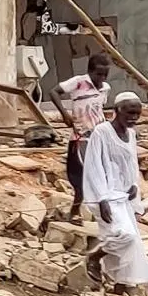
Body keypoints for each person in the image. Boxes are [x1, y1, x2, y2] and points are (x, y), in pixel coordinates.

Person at [82, 92, 148, 296]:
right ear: (118, 110)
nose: (133, 118)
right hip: (107, 195)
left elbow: (131, 162)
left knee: (131, 249)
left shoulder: (131, 134)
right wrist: (101, 198)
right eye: (130, 113)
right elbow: (94, 165)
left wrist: (133, 186)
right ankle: (95, 256)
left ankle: (118, 294)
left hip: (124, 196)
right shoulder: (102, 131)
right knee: (125, 237)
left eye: (137, 114)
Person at [49, 53, 113, 217]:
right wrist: (64, 114)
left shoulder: (105, 88)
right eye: (99, 74)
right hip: (80, 137)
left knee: (99, 174)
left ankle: (98, 212)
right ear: (90, 72)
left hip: (98, 136)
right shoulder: (79, 83)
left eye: (105, 74)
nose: (102, 77)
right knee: (80, 177)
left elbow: (99, 109)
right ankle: (76, 210)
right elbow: (54, 92)